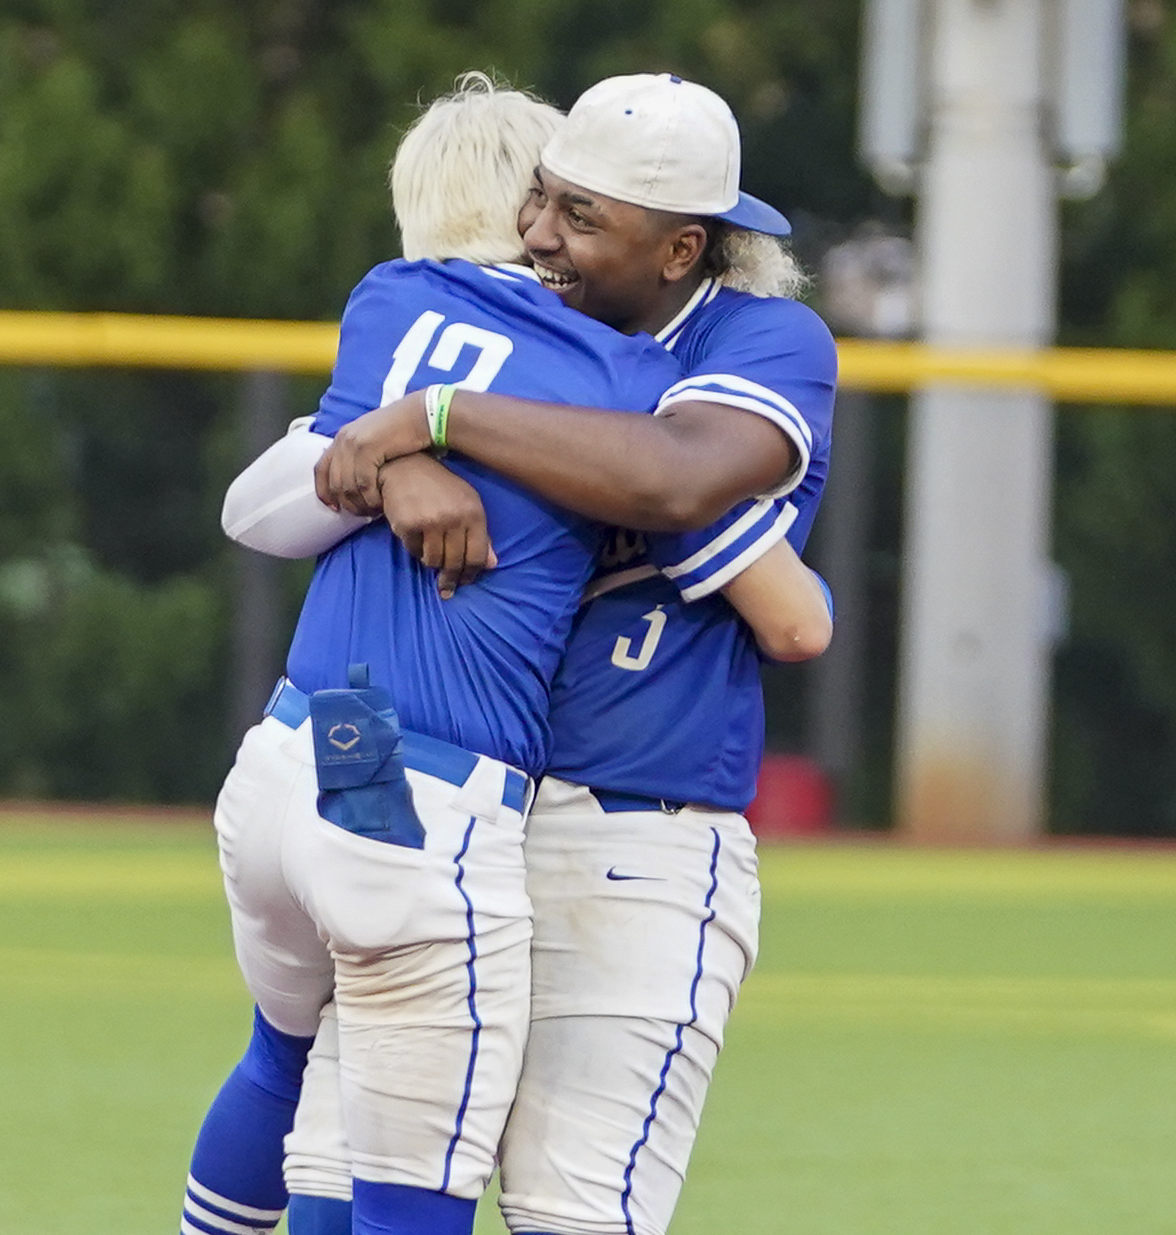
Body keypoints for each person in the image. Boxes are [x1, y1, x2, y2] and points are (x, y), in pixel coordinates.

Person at [296, 73, 839, 1235]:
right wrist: (393, 462)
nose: (538, 232)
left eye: (581, 216)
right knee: (339, 1180)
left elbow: (681, 487)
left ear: (682, 247)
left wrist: (435, 419)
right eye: (541, 198)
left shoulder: (757, 336)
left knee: (570, 1213)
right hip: (435, 801)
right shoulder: (492, 320)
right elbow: (266, 498)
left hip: (628, 829)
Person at [178, 74, 691, 1235]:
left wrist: (396, 451)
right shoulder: (619, 372)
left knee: (283, 1059)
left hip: (306, 745)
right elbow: (679, 483)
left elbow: (263, 503)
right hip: (428, 794)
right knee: (415, 1189)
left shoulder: (388, 300)